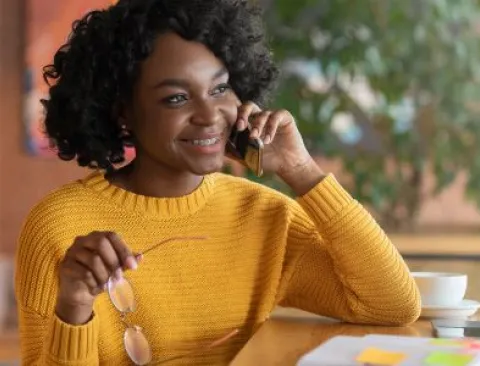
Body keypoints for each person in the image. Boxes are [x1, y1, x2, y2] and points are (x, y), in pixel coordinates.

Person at [14, 0, 421, 365]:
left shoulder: (265, 215)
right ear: (123, 113)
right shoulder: (59, 226)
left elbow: (393, 304)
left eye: (220, 88)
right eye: (177, 98)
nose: (210, 115)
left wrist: (301, 170)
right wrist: (75, 306)